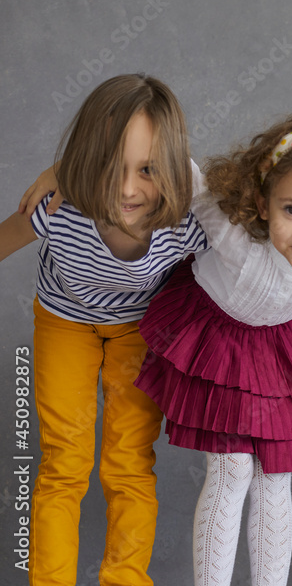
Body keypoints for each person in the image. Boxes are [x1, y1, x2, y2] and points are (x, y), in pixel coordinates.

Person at [132, 112, 292, 586]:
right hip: (216, 342)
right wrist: (143, 121)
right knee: (232, 469)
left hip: (283, 351)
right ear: (261, 202)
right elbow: (181, 170)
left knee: (274, 477)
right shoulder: (232, 230)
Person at [0, 74, 207, 586]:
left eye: (147, 170)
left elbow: (249, 257)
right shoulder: (57, 209)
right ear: (85, 163)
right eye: (112, 167)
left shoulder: (187, 222)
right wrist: (61, 173)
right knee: (63, 462)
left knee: (128, 464)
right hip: (64, 322)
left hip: (138, 329)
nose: (128, 188)